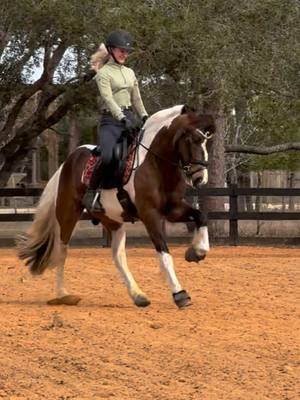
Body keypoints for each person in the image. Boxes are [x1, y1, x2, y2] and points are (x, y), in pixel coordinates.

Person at [82, 30, 148, 211]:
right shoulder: (103, 74)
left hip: (129, 117)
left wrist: (144, 116)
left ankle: (126, 194)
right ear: (111, 50)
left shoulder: (130, 72)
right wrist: (120, 117)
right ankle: (91, 192)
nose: (125, 54)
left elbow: (136, 98)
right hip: (110, 121)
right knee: (110, 156)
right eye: (121, 50)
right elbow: (108, 99)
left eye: (127, 51)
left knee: (140, 155)